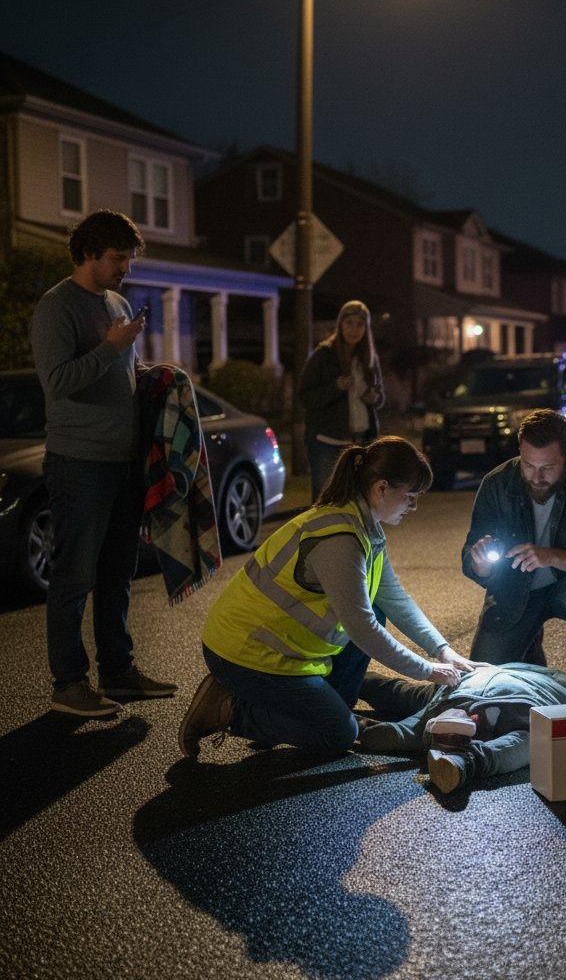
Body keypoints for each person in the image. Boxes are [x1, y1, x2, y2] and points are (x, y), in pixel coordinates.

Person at [177, 436, 485, 759]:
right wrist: (427, 670)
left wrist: (444, 651)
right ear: (382, 488)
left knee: (379, 610)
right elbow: (362, 629)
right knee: (338, 734)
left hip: (278, 650)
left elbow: (396, 600)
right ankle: (232, 709)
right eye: (409, 496)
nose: (414, 506)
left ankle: (298, 707)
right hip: (244, 655)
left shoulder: (362, 527)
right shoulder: (340, 539)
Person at [31, 209, 177, 718]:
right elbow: (58, 382)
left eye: (129, 260)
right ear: (89, 253)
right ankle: (68, 683)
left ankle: (119, 672)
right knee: (74, 575)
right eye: (118, 259)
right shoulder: (57, 308)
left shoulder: (114, 302)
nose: (125, 270)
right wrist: (110, 347)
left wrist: (148, 371)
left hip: (122, 460)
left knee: (118, 572)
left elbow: (122, 371)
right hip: (79, 460)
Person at [462, 409, 566, 675]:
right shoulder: (496, 483)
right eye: (528, 465)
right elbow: (470, 555)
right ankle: (529, 649)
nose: (536, 477)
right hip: (513, 595)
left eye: (548, 468)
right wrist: (479, 562)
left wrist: (551, 556)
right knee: (483, 680)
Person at [357, 662, 566, 794]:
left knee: (404, 696)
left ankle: (356, 686)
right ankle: (468, 761)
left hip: (467, 687)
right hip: (515, 703)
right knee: (531, 742)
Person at [299, 299, 384, 502]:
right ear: (340, 325)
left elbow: (380, 396)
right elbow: (305, 397)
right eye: (349, 323)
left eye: (360, 324)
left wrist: (374, 398)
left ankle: (352, 534)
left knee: (359, 499)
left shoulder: (369, 359)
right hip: (327, 442)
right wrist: (335, 388)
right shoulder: (323, 355)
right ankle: (320, 534)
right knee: (325, 497)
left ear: (366, 328)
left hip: (362, 441)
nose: (354, 329)